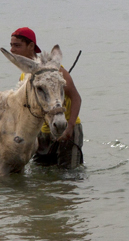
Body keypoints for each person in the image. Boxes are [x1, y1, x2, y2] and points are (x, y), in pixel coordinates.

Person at [9, 27, 84, 167]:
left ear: (31, 46)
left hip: (65, 127)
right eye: (11, 45)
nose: (12, 50)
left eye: (17, 45)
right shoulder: (25, 75)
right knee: (42, 178)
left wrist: (70, 127)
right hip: (41, 133)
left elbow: (76, 98)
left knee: (68, 178)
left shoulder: (55, 70)